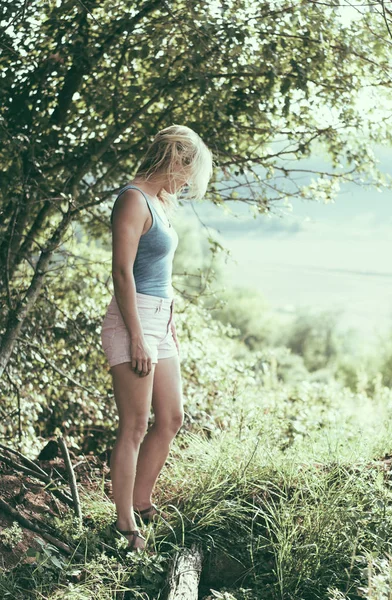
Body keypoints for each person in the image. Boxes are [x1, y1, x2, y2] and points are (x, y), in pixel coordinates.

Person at [101, 124, 213, 551]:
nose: (188, 182)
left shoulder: (160, 201)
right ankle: (126, 524)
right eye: (189, 171)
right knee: (133, 425)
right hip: (135, 320)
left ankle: (143, 500)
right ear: (175, 159)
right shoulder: (132, 199)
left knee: (171, 418)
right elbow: (121, 272)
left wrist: (162, 325)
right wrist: (137, 337)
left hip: (160, 318)